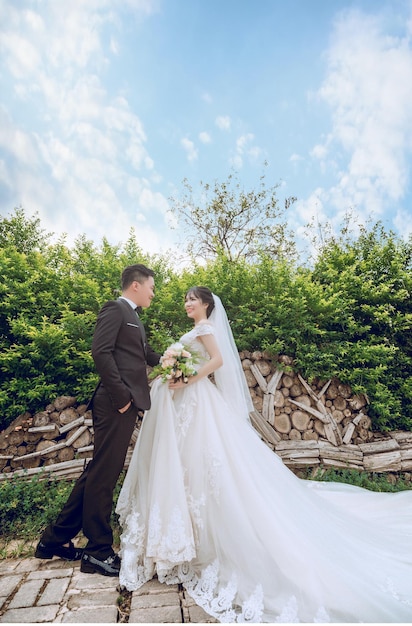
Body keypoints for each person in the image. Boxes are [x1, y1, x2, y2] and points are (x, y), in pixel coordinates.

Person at [116, 286, 412, 622]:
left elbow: (217, 361)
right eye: (185, 300)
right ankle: (180, 535)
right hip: (187, 404)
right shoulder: (196, 330)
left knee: (210, 467)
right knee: (188, 466)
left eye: (192, 300)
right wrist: (175, 371)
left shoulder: (207, 329)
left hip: (197, 401)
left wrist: (186, 379)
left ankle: (199, 540)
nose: (187, 304)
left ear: (207, 305)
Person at [35, 264, 160, 577]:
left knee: (98, 471)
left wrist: (178, 357)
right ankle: (98, 551)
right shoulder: (115, 309)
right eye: (151, 287)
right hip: (114, 403)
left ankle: (54, 540)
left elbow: (145, 354)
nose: (153, 293)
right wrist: (122, 398)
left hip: (123, 404)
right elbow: (100, 352)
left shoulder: (135, 318)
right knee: (104, 474)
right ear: (135, 285)